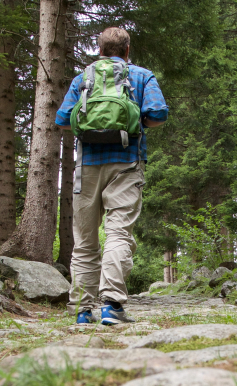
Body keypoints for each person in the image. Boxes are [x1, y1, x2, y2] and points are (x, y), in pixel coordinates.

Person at [56, 27, 168, 325]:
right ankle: (111, 306)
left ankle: (81, 311)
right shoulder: (142, 76)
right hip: (127, 163)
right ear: (127, 50)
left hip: (88, 167)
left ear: (100, 49)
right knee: (118, 235)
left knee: (85, 242)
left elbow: (63, 121)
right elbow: (158, 114)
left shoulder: (84, 79)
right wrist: (134, 123)